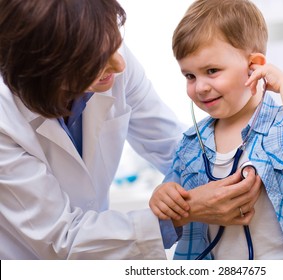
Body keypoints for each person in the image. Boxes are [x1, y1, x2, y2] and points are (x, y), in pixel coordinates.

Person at [0, 0, 262, 259]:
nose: (120, 65)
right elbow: (61, 240)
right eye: (95, 62)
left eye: (115, 43)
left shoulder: (106, 54)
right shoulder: (5, 117)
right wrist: (183, 210)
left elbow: (175, 147)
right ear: (46, 69)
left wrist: (249, 169)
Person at [149, 0, 283, 260]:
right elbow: (171, 198)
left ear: (254, 66)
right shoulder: (190, 144)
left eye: (211, 71)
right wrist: (162, 196)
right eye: (189, 76)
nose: (199, 87)